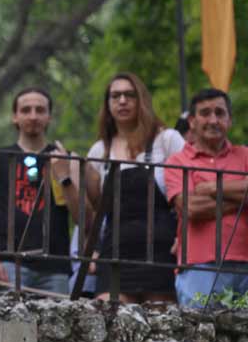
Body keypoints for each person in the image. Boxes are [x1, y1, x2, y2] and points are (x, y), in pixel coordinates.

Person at [84, 73, 184, 302]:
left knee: (160, 319)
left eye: (129, 95)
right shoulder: (99, 151)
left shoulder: (167, 140)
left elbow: (190, 191)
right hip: (115, 252)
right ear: (107, 104)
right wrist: (92, 249)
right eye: (115, 96)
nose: (122, 101)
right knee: (108, 315)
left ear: (142, 100)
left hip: (160, 250)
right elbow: (94, 212)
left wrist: (184, 237)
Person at [0, 88, 83, 295]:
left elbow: (81, 219)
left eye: (40, 110)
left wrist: (64, 176)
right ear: (15, 116)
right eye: (26, 110)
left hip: (55, 265)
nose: (33, 116)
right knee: (8, 318)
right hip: (8, 263)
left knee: (57, 318)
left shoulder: (67, 158)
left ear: (49, 117)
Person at [164, 88, 248, 307]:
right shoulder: (177, 161)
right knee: (201, 329)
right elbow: (191, 208)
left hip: (246, 262)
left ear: (229, 120)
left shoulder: (245, 155)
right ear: (192, 121)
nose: (213, 120)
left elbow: (200, 204)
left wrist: (212, 187)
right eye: (205, 113)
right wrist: (241, 198)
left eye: (220, 113)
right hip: (199, 266)